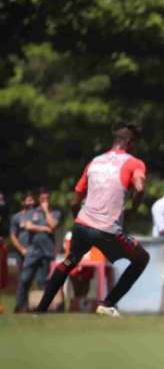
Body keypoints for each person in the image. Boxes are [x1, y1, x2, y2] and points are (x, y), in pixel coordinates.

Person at [36, 122, 150, 317]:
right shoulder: (134, 163)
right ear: (129, 143)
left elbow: (75, 201)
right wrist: (133, 209)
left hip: (82, 224)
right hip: (107, 230)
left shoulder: (94, 161)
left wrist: (79, 222)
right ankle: (108, 304)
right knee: (142, 259)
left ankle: (40, 311)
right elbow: (139, 188)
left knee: (69, 262)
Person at [15, 188, 61, 312]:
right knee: (25, 279)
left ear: (49, 199)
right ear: (39, 199)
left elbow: (53, 225)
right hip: (32, 252)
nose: (44, 201)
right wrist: (45, 229)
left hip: (47, 252)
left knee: (42, 282)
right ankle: (20, 307)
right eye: (42, 199)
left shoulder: (55, 212)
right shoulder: (32, 212)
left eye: (46, 199)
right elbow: (29, 226)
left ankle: (42, 308)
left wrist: (46, 211)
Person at [9, 191, 35, 262]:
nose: (32, 203)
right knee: (24, 273)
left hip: (36, 252)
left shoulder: (38, 215)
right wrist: (21, 250)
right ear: (23, 202)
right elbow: (13, 236)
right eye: (29, 200)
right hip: (22, 253)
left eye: (33, 200)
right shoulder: (16, 217)